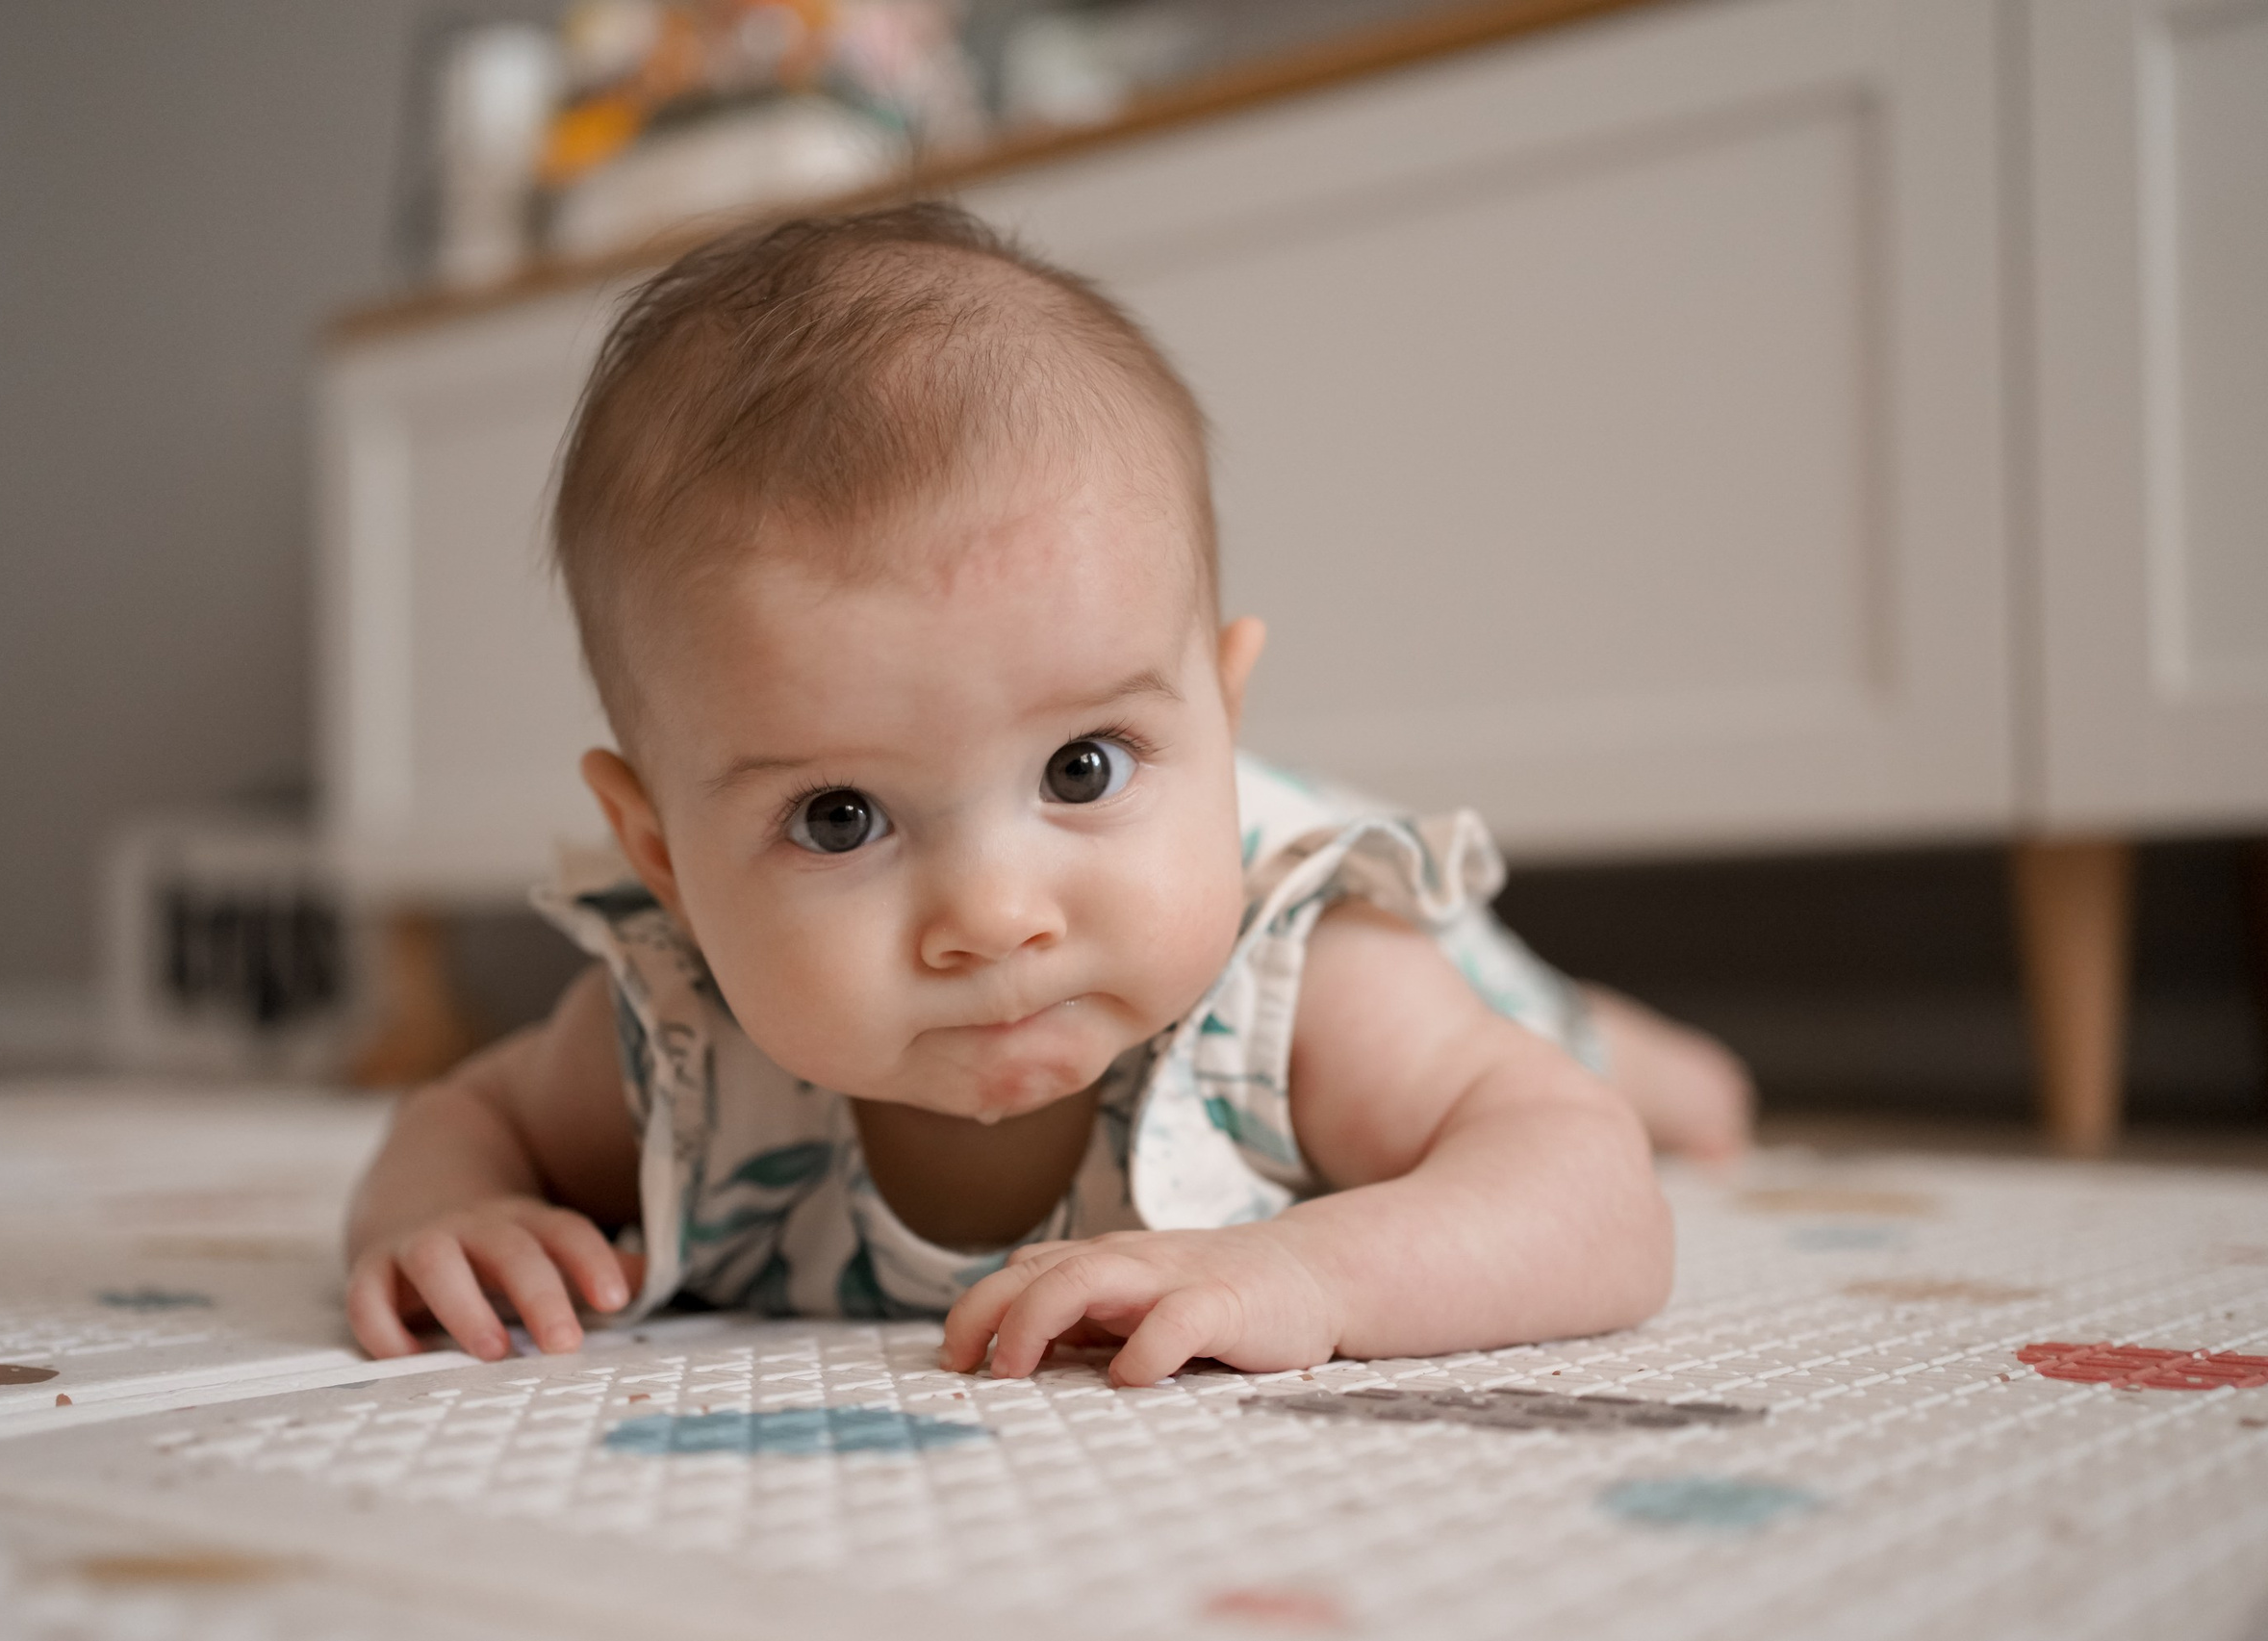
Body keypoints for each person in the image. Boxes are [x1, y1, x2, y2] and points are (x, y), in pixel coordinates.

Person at [344, 202, 1751, 1387]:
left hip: (1365, 952)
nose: (993, 916)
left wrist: (1310, 1272)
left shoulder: (1305, 988)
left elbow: (1597, 1200)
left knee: (1566, 1059)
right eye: (841, 818)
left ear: (1220, 717)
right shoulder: (679, 1043)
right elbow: (463, 1119)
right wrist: (444, 1217)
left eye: (1083, 768)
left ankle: (1637, 1043)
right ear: (660, 853)